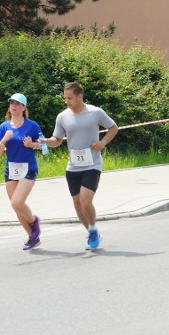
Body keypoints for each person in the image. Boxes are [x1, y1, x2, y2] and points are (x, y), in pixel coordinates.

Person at [41, 82, 118, 250]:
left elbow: (113, 128)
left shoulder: (95, 112)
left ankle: (92, 230)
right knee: (77, 203)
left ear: (79, 96)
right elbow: (57, 140)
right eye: (65, 98)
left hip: (93, 164)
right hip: (73, 166)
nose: (67, 101)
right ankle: (92, 232)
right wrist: (44, 142)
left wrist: (103, 142)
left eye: (70, 98)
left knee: (85, 200)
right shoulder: (62, 117)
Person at [0, 93, 45, 250]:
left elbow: (45, 147)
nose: (14, 106)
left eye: (18, 103)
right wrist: (4, 140)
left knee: (17, 202)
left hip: (28, 168)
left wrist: (32, 145)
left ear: (23, 107)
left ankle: (34, 220)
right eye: (11, 103)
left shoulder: (32, 126)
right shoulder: (4, 127)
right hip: (11, 169)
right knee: (16, 207)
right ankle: (32, 237)